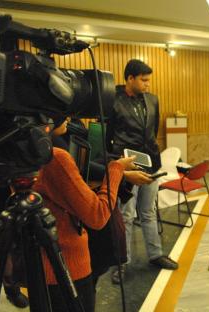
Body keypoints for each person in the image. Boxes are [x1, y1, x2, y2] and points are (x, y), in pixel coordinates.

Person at [33, 117, 136, 311]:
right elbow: (97, 215)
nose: (68, 117)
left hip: (38, 267)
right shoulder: (55, 157)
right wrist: (117, 168)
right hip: (67, 267)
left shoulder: (20, 154)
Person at [107, 59, 178, 284]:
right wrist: (117, 164)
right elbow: (108, 136)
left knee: (148, 211)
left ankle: (155, 254)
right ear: (130, 78)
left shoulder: (152, 99)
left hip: (152, 163)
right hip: (128, 167)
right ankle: (122, 263)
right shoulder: (112, 100)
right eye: (144, 80)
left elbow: (152, 130)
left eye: (149, 80)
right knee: (126, 216)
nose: (148, 84)